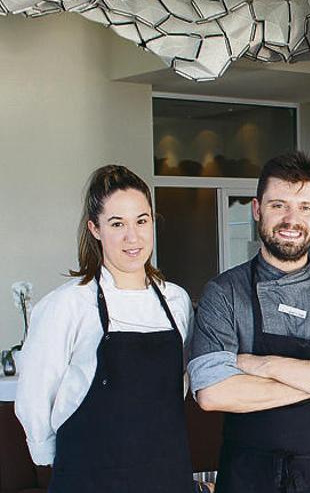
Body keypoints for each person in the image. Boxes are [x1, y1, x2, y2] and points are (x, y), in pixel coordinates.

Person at [188, 152, 310, 493]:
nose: (292, 220)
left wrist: (260, 364)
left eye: (305, 207)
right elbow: (214, 392)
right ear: (256, 209)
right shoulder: (224, 293)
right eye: (279, 205)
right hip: (248, 477)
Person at [16, 165, 194, 492]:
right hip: (90, 477)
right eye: (117, 224)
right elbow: (34, 395)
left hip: (167, 474)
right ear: (94, 229)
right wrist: (62, 458)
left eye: (142, 220)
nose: (133, 237)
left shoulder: (176, 301)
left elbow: (177, 384)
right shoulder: (67, 305)